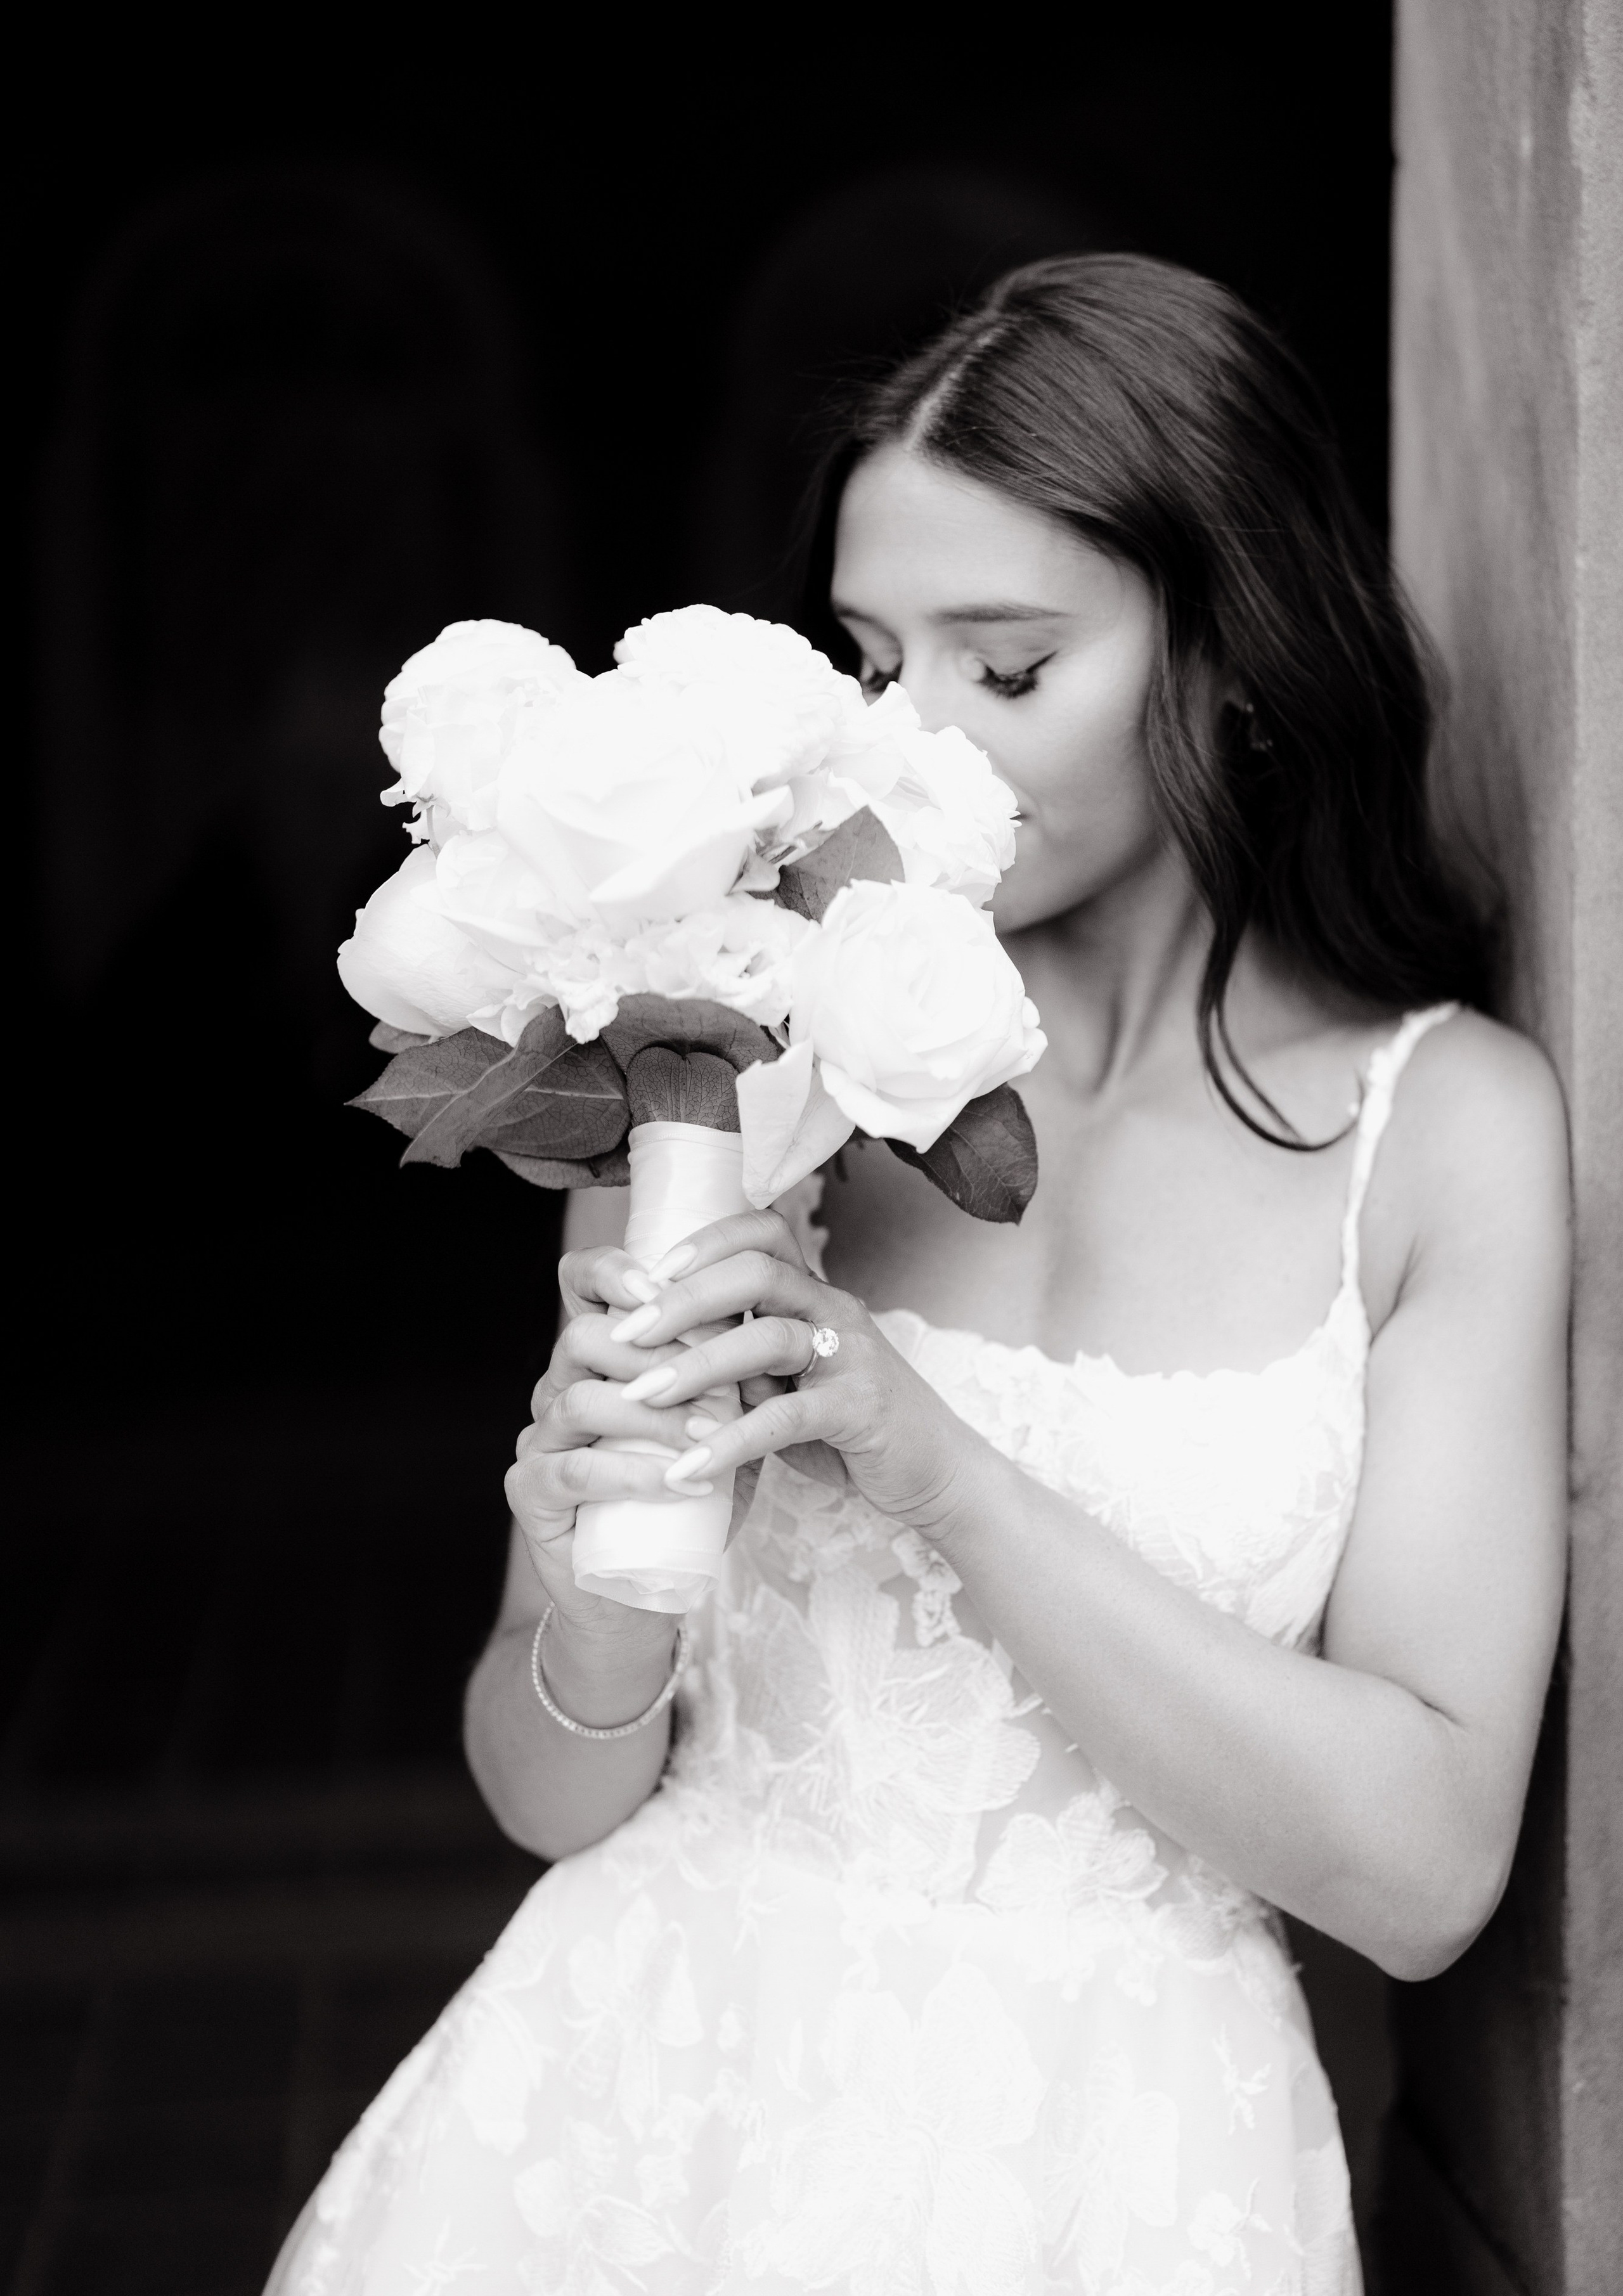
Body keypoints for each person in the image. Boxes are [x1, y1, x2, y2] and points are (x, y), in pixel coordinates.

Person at [269, 255, 1569, 2294]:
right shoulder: (728, 1048)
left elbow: (1423, 1873)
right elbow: (545, 1798)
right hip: (638, 2133)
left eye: (1009, 665)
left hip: (1124, 2185)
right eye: (874, 660)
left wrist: (934, 1464)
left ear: (1238, 653)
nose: (915, 739)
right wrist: (588, 1582)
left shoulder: (1446, 1131)